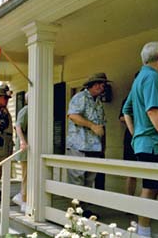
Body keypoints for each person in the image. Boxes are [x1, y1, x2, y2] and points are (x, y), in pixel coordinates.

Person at [123, 41, 158, 237]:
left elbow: (126, 110)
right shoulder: (152, 77)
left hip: (147, 143)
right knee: (150, 188)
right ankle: (143, 233)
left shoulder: (140, 79)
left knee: (153, 188)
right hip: (154, 144)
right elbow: (153, 111)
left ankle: (143, 230)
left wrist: (136, 133)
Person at [66, 72, 110, 217]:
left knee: (89, 179)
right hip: (78, 146)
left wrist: (103, 147)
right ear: (92, 85)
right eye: (99, 83)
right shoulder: (80, 97)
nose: (102, 86)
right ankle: (74, 212)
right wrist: (92, 126)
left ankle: (83, 209)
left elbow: (102, 126)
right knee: (77, 179)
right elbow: (73, 115)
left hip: (94, 148)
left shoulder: (98, 102)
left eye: (103, 84)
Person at [0, 84, 14, 195]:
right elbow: (1, 125)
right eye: (5, 98)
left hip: (8, 140)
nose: (7, 100)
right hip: (2, 139)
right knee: (0, 164)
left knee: (5, 164)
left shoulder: (4, 109)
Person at [12, 92, 28, 213]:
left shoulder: (34, 110)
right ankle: (23, 200)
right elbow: (18, 126)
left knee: (29, 176)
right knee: (26, 176)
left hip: (32, 150)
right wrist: (23, 141)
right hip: (25, 150)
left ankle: (21, 197)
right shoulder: (26, 110)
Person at [119, 97, 137, 197]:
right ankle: (130, 198)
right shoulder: (128, 99)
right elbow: (121, 117)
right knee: (131, 171)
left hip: (148, 138)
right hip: (131, 138)